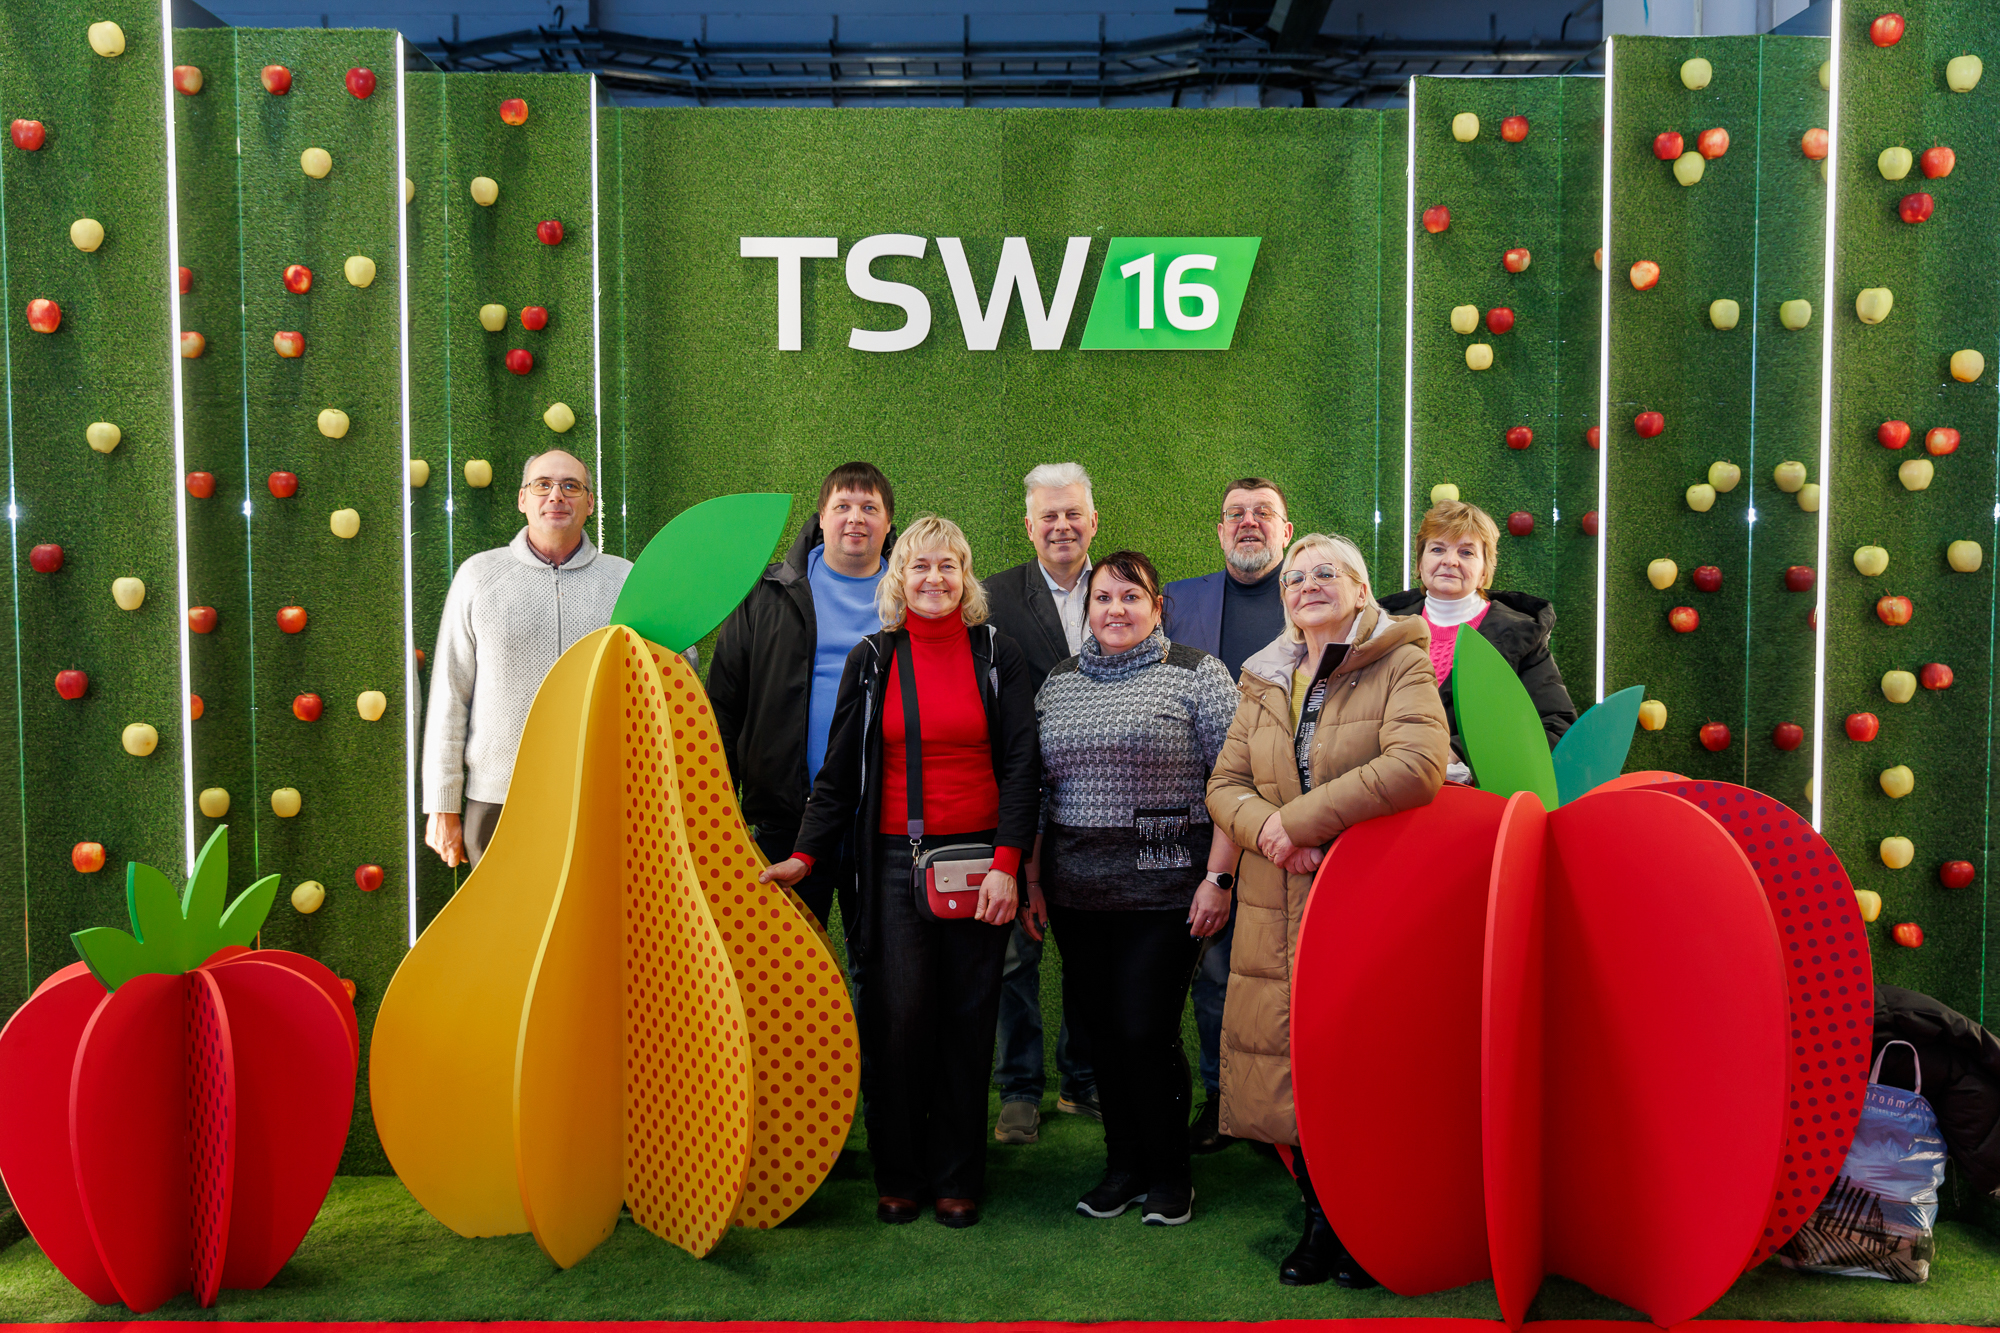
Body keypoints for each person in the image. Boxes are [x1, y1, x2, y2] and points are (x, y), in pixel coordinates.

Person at [760, 516, 1041, 1230]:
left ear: (966, 576)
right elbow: (837, 775)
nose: (934, 579)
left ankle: (957, 1177)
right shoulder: (873, 659)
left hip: (980, 864)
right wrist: (805, 855)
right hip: (891, 864)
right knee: (897, 1023)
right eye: (920, 567)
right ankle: (900, 1174)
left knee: (968, 1023)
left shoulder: (997, 654)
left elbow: (1022, 768)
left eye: (948, 566)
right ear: (899, 578)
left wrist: (1008, 865)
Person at [1206, 532, 1449, 1286]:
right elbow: (1225, 784)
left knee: (1364, 1061)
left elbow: (1418, 764)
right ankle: (1320, 1220)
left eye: (1325, 573)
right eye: (1295, 578)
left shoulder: (1401, 660)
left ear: (1360, 588)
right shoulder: (1264, 679)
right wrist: (1271, 835)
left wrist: (1298, 822)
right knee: (1298, 1064)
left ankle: (1370, 1222)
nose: (1307, 584)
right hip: (1276, 898)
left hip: (1366, 899)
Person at [1026, 550, 1239, 1226]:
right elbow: (1037, 791)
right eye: (1103, 598)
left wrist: (1218, 879)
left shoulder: (1198, 674)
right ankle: (1123, 1167)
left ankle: (1170, 1173)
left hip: (1169, 894)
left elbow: (1233, 783)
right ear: (1087, 609)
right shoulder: (1059, 682)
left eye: (1131, 596)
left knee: (1146, 1030)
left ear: (1157, 608)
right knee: (1102, 1034)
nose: (1116, 609)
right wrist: (1032, 877)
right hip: (1077, 895)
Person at [1161, 478, 1295, 1154]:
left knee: (1289, 973)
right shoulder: (1178, 601)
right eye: (1236, 513)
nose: (1249, 522)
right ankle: (1223, 1102)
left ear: (1286, 531)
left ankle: (1290, 1110)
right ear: (1219, 530)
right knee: (1212, 974)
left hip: (1293, 820)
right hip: (1203, 819)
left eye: (1263, 512)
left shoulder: (1314, 596)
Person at [422, 449, 631, 868]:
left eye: (571, 486)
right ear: (522, 499)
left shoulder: (626, 579)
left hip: (603, 797)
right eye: (542, 485)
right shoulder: (478, 576)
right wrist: (442, 805)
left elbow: (670, 668)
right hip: (498, 799)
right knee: (501, 913)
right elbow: (449, 695)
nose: (556, 495)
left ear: (590, 503)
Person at [710, 461, 896, 932]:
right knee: (781, 960)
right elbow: (724, 704)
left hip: (883, 822)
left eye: (869, 507)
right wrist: (720, 808)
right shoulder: (769, 593)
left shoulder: (913, 598)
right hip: (785, 819)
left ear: (888, 523)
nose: (855, 518)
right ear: (821, 517)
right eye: (843, 506)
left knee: (880, 965)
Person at [981, 462, 1102, 1145]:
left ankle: (1081, 1080)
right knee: (1015, 954)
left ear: (1093, 521)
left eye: (1072, 513)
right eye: (1048, 516)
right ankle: (1020, 1088)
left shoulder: (1120, 587)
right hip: (1017, 796)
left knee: (1088, 945)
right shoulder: (992, 597)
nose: (1061, 526)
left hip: (1099, 801)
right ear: (1029, 527)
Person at [1375, 500, 1576, 783]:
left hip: (1473, 796)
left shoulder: (1521, 638)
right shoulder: (1380, 628)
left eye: (1466, 552)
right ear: (1420, 563)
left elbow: (1556, 728)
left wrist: (1460, 752)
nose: (1450, 561)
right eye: (1437, 549)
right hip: (1383, 786)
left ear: (1484, 571)